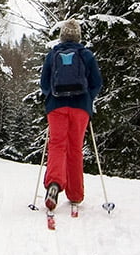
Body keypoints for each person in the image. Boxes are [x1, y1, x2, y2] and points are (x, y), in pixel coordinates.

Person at [39, 18, 102, 222]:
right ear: (78, 37)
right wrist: (88, 99)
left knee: (57, 145)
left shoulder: (53, 55)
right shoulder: (86, 55)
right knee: (75, 148)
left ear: (62, 36)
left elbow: (44, 82)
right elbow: (96, 82)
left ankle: (54, 184)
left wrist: (50, 97)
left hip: (57, 106)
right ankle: (75, 194)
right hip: (80, 108)